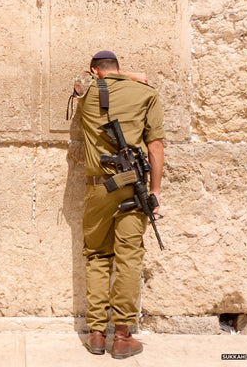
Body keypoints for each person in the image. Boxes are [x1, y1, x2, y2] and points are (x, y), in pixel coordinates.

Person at [76, 51, 165, 359]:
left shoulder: (87, 91)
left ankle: (97, 333)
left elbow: (77, 81)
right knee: (128, 258)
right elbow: (155, 145)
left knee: (98, 255)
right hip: (133, 187)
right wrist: (154, 190)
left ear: (95, 70)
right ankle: (123, 336)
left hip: (98, 190)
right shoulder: (146, 92)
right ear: (118, 69)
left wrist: (114, 77)